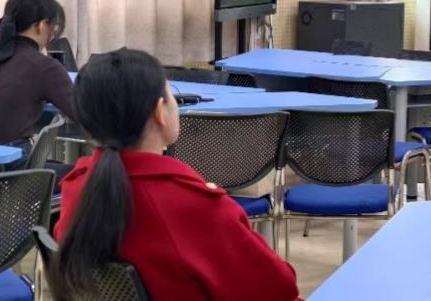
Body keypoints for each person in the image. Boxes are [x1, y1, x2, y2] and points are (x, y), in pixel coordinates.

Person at [52, 48, 299, 301]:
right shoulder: (194, 205)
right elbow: (278, 288)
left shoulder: (76, 186)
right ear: (159, 111)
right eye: (172, 96)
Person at [0, 0, 75, 153]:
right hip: (14, 163)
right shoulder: (45, 67)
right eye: (53, 27)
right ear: (41, 25)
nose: (54, 34)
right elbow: (82, 114)